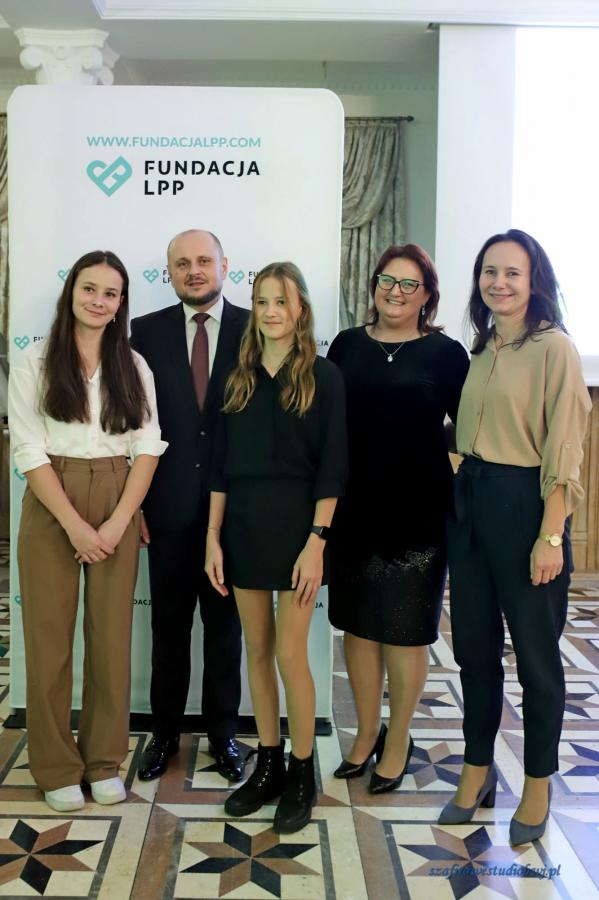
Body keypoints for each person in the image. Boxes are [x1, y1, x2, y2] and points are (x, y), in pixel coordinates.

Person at [439, 229, 591, 845]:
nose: (498, 283)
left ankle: (537, 784)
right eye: (489, 272)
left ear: (535, 282)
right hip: (471, 506)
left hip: (527, 509)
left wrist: (551, 535)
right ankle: (476, 771)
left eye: (512, 273)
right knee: (474, 652)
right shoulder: (484, 347)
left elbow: (565, 448)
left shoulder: (555, 348)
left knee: (535, 659)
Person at [9, 250, 166, 813]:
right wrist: (75, 526)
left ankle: (103, 762)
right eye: (89, 289)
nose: (99, 301)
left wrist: (120, 521)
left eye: (111, 293)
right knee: (49, 641)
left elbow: (147, 446)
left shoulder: (134, 365)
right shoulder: (34, 361)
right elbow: (28, 450)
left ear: (121, 304)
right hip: (54, 496)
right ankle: (55, 766)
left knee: (110, 641)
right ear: (71, 292)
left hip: (119, 496)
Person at [205, 261, 347, 833]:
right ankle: (267, 763)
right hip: (242, 527)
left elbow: (333, 468)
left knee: (290, 654)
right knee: (257, 651)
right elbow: (218, 468)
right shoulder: (235, 376)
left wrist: (317, 542)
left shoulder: (324, 376)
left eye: (281, 301)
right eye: (262, 301)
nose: (270, 312)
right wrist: (212, 538)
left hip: (299, 533)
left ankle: (302, 770)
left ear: (301, 309)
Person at [327, 244, 469, 793]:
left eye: (410, 284)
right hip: (353, 510)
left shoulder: (445, 354)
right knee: (359, 628)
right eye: (387, 280)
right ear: (374, 286)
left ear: (427, 295)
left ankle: (399, 738)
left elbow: (469, 427)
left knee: (407, 633)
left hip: (419, 515)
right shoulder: (346, 345)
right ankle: (367, 732)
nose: (396, 291)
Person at [131, 229, 249, 783]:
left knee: (225, 631)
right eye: (182, 263)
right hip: (167, 510)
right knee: (169, 630)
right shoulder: (144, 332)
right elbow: (130, 421)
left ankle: (224, 735)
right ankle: (164, 734)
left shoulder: (256, 327)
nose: (194, 271)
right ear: (169, 272)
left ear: (225, 266)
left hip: (236, 513)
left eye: (204, 260)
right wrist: (134, 504)